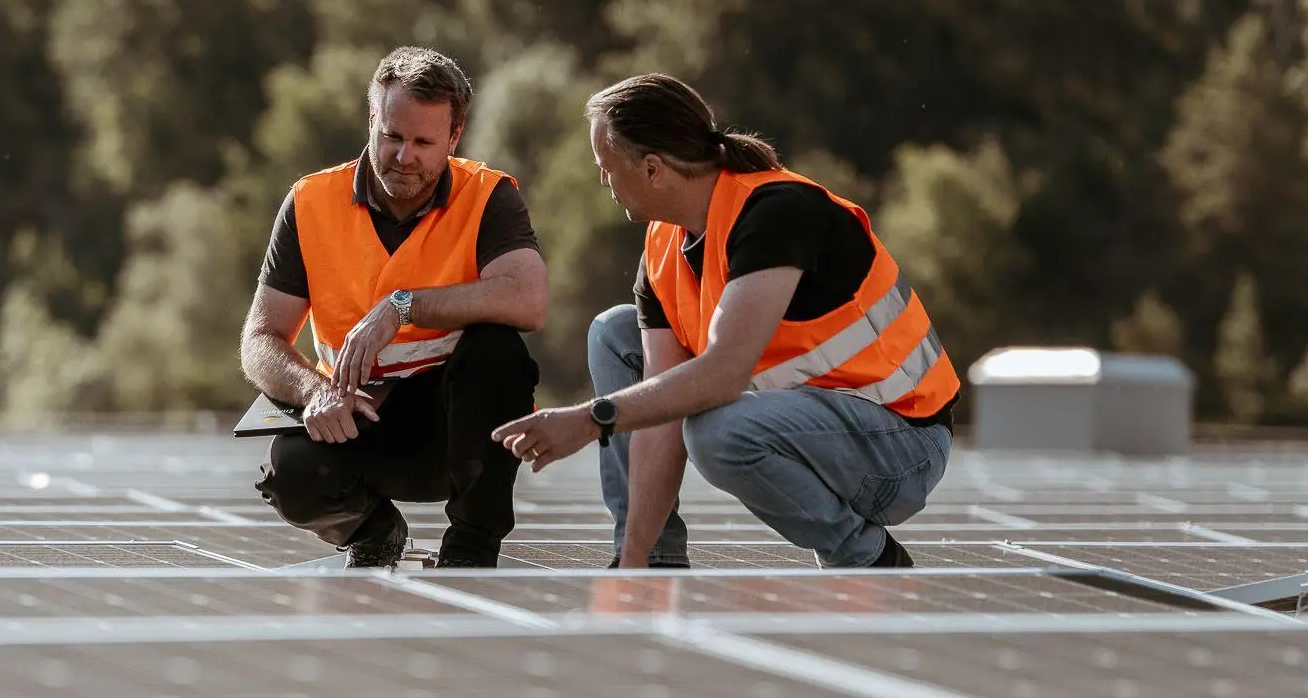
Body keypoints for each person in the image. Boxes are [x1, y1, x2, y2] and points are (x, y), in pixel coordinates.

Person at [492, 73, 959, 569]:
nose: (603, 181)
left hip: (901, 447)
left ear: (653, 169)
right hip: (816, 428)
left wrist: (589, 420)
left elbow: (723, 374)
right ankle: (655, 558)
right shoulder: (661, 249)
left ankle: (865, 557)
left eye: (606, 167)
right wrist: (632, 564)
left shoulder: (777, 212)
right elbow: (659, 413)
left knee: (718, 432)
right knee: (615, 333)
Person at [240, 47, 549, 569]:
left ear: (454, 137)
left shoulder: (489, 197)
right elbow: (260, 340)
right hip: (358, 417)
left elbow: (528, 298)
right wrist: (315, 392)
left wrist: (402, 307)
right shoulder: (310, 202)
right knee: (290, 471)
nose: (405, 156)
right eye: (392, 136)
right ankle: (376, 532)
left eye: (425, 142)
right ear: (371, 120)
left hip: (459, 434)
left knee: (499, 351)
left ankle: (472, 547)